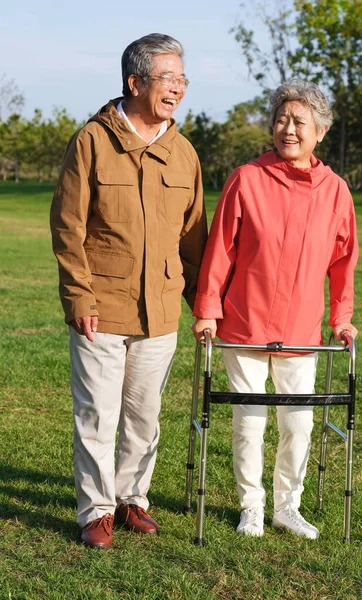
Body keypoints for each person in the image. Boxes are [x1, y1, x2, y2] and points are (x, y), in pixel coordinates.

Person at [50, 33, 207, 549]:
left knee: (145, 413)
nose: (178, 89)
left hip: (160, 310)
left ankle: (132, 498)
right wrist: (78, 297)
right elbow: (67, 226)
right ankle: (96, 511)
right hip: (101, 307)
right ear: (135, 81)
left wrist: (203, 304)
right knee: (98, 412)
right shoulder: (91, 141)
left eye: (182, 79)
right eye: (169, 78)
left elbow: (193, 238)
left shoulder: (184, 153)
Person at [192, 80, 358, 538]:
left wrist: (340, 318)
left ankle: (288, 505)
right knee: (249, 421)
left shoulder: (336, 191)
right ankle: (251, 505)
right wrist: (207, 309)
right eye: (281, 119)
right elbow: (220, 250)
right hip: (244, 322)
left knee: (298, 423)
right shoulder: (247, 178)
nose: (288, 129)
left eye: (298, 122)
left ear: (319, 131)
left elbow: (344, 263)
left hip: (302, 329)